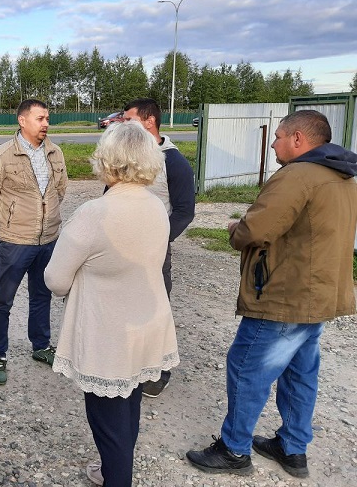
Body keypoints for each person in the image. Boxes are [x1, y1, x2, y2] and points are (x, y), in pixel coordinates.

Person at [186, 110, 357, 478]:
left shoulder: (297, 176)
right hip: (318, 295)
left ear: (298, 139)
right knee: (300, 372)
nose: (274, 144)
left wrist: (235, 227)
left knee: (248, 368)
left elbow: (255, 230)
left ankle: (234, 450)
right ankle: (293, 448)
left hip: (285, 296)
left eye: (278, 136)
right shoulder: (342, 177)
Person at [45, 121, 180, 487]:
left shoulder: (95, 212)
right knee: (129, 408)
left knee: (108, 423)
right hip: (147, 326)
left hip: (109, 337)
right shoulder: (156, 206)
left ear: (107, 161)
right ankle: (111, 470)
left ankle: (116, 477)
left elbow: (55, 280)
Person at [0, 98, 68, 385]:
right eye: (40, 118)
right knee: (3, 299)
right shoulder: (1, 156)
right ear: (22, 120)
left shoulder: (55, 153)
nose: (46, 124)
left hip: (49, 239)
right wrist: (10, 222)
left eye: (47, 118)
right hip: (15, 241)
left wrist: (46, 221)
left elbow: (60, 190)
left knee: (42, 295)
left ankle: (41, 346)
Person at [122, 98, 195, 397]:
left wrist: (158, 241)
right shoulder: (128, 156)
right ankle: (131, 362)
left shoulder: (173, 161)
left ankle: (158, 371)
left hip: (154, 253)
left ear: (150, 121)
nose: (124, 125)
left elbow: (184, 211)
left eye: (130, 120)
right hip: (124, 250)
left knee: (155, 310)